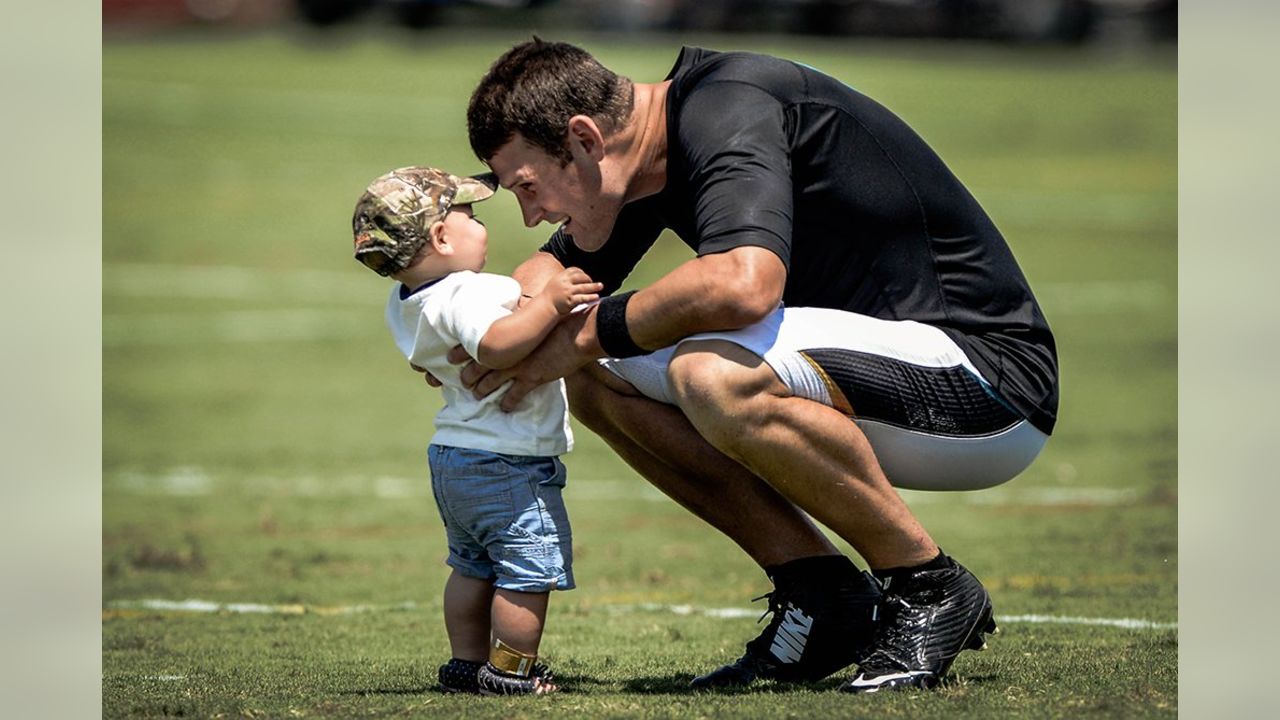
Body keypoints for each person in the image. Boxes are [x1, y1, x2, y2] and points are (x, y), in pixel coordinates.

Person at [449, 39, 1059, 693]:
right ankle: (823, 599)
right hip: (884, 383)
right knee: (597, 377)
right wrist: (488, 335)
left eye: (528, 186)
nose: (530, 211)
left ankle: (929, 584)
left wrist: (581, 335)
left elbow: (746, 285)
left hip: (988, 387)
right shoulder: (651, 146)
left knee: (711, 372)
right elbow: (555, 274)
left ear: (584, 139)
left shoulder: (728, 106)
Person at [350, 165, 604, 695]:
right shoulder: (467, 292)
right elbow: (496, 346)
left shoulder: (407, 302)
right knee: (527, 573)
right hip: (507, 458)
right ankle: (511, 671)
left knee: (471, 566)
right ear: (441, 236)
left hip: (455, 456)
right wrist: (553, 303)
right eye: (470, 213)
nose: (480, 222)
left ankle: (466, 662)